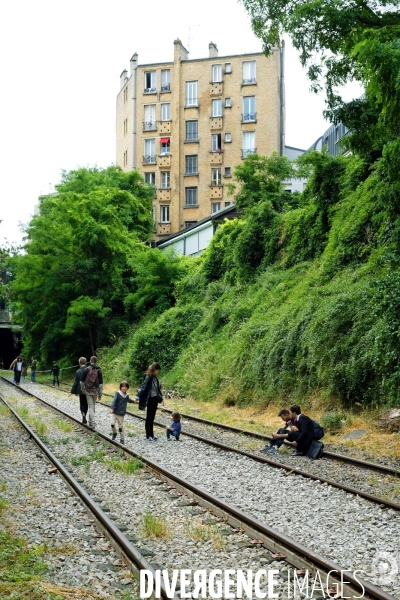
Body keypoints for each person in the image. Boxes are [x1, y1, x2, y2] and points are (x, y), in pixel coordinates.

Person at [135, 362, 164, 441]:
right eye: (158, 370)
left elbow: (157, 389)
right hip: (150, 399)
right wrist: (137, 396)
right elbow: (143, 387)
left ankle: (152, 435)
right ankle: (148, 435)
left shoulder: (155, 378)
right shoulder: (148, 377)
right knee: (149, 417)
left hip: (154, 399)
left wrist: (162, 398)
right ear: (155, 369)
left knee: (152, 417)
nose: (158, 372)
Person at [79, 356, 103, 429]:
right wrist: (100, 394)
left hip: (88, 391)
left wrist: (83, 389)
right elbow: (100, 384)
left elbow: (81, 381)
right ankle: (91, 422)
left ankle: (91, 423)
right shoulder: (99, 370)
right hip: (95, 391)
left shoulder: (86, 369)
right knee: (93, 407)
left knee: (90, 406)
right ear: (96, 361)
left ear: (90, 361)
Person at [71, 357, 89, 424]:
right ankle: (85, 414)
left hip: (80, 390)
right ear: (86, 362)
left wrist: (72, 391)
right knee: (86, 404)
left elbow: (75, 382)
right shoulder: (88, 370)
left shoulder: (78, 371)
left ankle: (83, 414)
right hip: (88, 389)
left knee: (82, 403)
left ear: (79, 363)